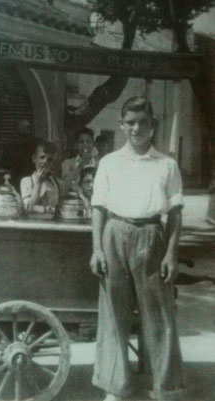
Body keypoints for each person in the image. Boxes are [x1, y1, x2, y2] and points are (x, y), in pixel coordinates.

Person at [90, 97, 185, 401]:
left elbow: (176, 213)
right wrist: (97, 249)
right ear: (121, 124)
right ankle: (115, 386)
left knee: (159, 316)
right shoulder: (109, 162)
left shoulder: (167, 165)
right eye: (130, 122)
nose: (136, 128)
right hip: (114, 233)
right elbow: (98, 208)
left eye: (143, 121)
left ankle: (165, 388)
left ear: (153, 126)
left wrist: (171, 253)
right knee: (113, 314)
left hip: (151, 236)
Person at [20, 140, 63, 212]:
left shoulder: (58, 184)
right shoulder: (27, 181)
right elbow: (29, 208)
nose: (45, 161)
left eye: (50, 159)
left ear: (53, 163)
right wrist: (38, 183)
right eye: (42, 157)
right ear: (34, 158)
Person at [0, 119, 41, 191]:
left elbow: (4, 163)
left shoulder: (10, 143)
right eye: (28, 128)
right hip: (31, 177)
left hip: (16, 176)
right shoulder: (37, 142)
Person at [62, 127, 97, 191]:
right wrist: (80, 166)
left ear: (93, 144)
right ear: (76, 145)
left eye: (88, 141)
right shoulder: (68, 163)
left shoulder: (99, 164)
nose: (85, 144)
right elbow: (65, 186)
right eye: (81, 142)